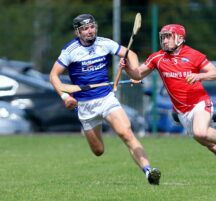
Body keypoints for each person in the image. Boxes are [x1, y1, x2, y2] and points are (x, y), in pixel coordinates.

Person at [121, 24, 216, 185]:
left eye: (169, 36)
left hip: (200, 103)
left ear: (180, 38)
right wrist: (127, 67)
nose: (165, 40)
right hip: (182, 113)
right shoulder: (157, 58)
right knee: (212, 147)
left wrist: (198, 76)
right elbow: (137, 73)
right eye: (163, 36)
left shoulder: (193, 55)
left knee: (200, 132)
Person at [49, 13, 161, 185]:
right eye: (85, 29)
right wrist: (65, 96)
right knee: (98, 151)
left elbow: (130, 54)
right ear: (78, 32)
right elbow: (53, 76)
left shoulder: (105, 43)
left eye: (92, 27)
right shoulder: (70, 51)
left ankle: (148, 171)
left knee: (126, 133)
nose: (89, 31)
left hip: (106, 98)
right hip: (85, 106)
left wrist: (134, 70)